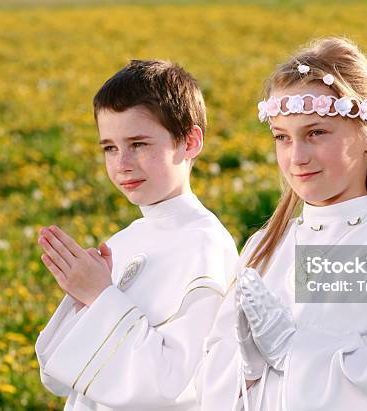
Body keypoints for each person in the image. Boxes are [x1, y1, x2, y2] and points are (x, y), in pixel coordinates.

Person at [196, 37, 367, 410]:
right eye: (282, 137)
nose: (297, 157)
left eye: (316, 133)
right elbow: (209, 379)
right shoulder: (264, 245)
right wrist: (244, 368)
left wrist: (291, 348)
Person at [35, 60, 238, 411]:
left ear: (190, 141)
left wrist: (100, 296)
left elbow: (177, 385)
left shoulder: (205, 245)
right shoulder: (123, 240)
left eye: (138, 144)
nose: (121, 163)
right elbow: (58, 377)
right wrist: (83, 301)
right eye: (109, 148)